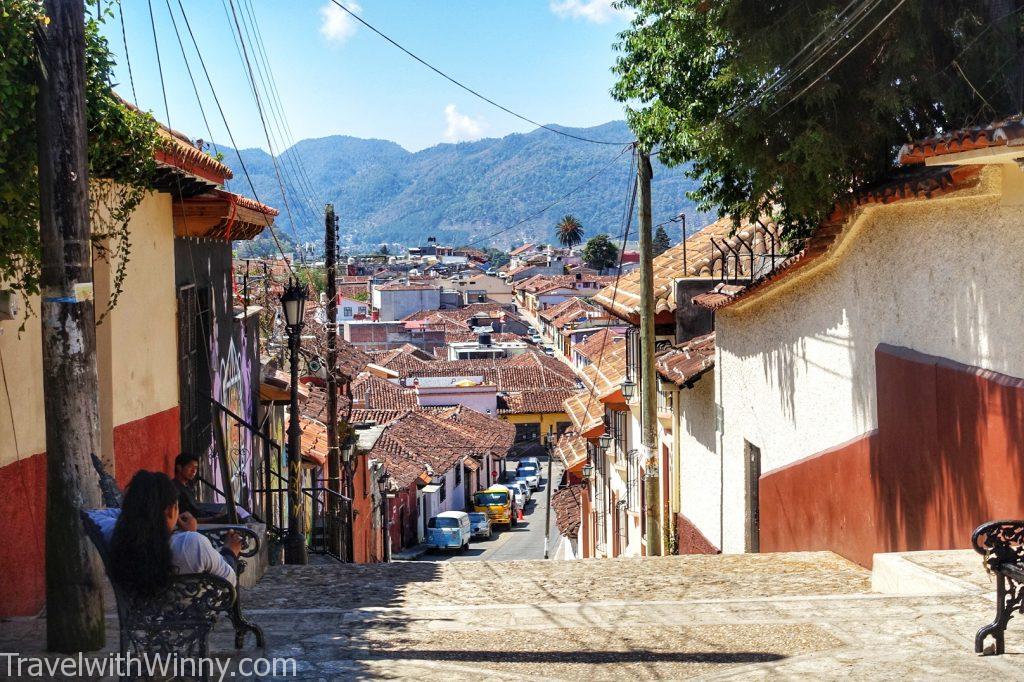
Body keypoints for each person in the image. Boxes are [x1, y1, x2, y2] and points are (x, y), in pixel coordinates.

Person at [110, 471, 241, 596]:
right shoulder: (192, 543)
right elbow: (229, 582)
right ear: (171, 511)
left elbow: (96, 515)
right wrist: (230, 552)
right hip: (191, 614)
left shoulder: (116, 537)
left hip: (138, 615)